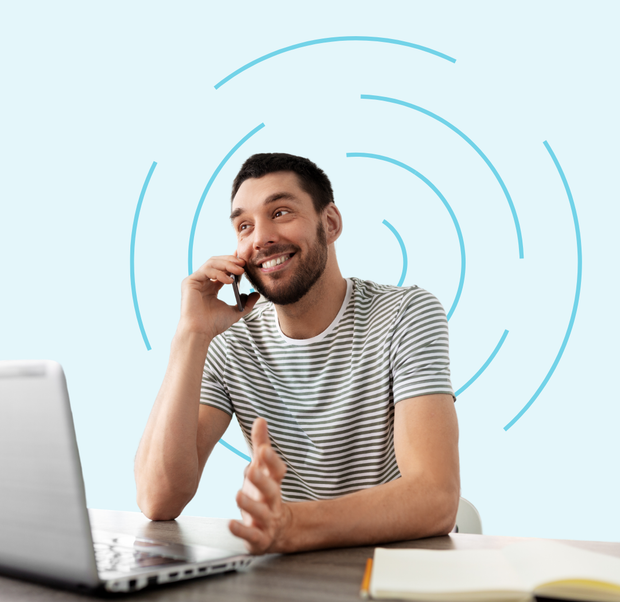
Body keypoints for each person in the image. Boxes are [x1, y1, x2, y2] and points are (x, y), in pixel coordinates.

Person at [135, 153, 460, 554]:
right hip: (294, 574)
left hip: (399, 567)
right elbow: (158, 499)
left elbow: (435, 498)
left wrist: (290, 526)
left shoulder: (406, 315)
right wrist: (190, 335)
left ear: (331, 223)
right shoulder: (230, 343)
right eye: (244, 226)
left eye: (281, 211)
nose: (260, 238)